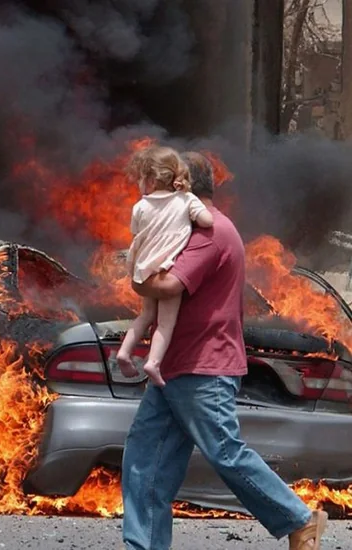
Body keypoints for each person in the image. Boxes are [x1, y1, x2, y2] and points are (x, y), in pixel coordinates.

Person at [120, 151, 328, 550]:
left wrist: (135, 276)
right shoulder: (189, 228)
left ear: (182, 187)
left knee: (225, 452)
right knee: (145, 461)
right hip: (176, 368)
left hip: (204, 367)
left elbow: (167, 287)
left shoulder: (210, 235)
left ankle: (299, 519)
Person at [116, 146, 214, 387]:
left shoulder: (140, 206)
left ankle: (124, 352)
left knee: (146, 315)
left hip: (143, 273)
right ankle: (154, 362)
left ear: (150, 179)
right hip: (167, 273)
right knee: (165, 322)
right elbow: (208, 220)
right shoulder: (186, 200)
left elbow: (136, 233)